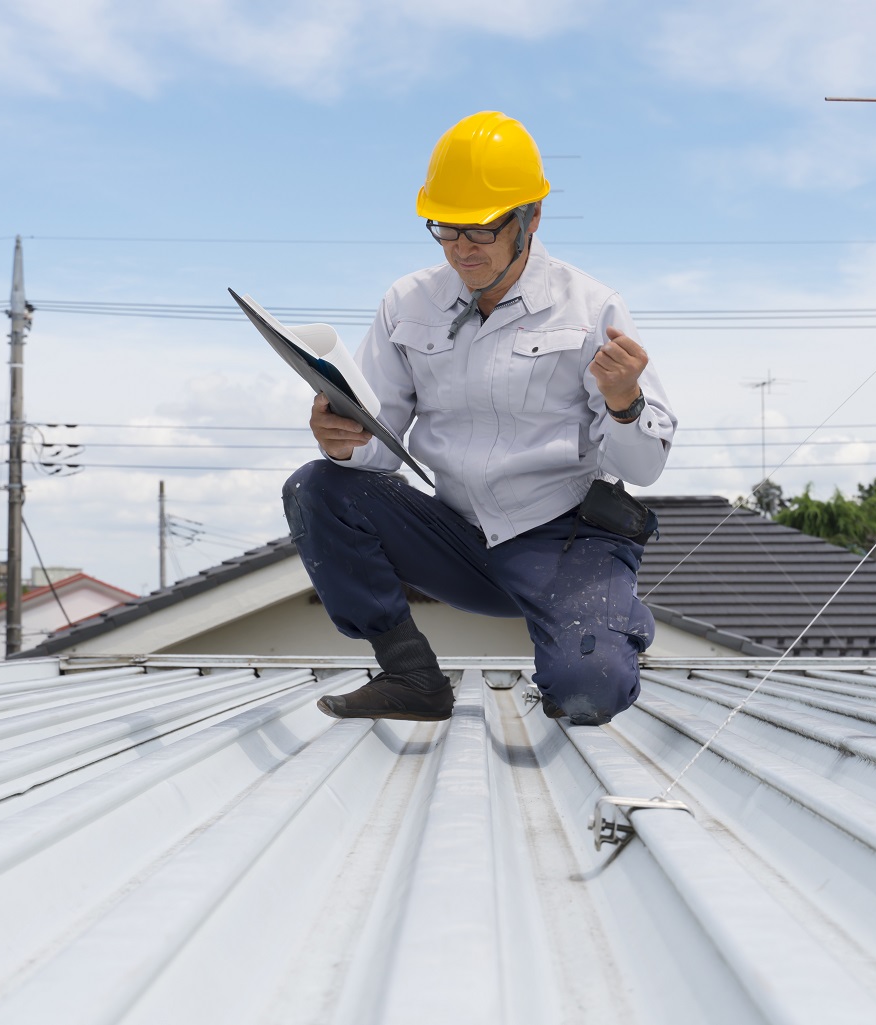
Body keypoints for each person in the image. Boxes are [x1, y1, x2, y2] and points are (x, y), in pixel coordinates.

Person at [282, 111, 675, 726]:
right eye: (445, 229)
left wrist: (625, 401)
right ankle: (410, 673)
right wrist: (343, 442)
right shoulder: (406, 304)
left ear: (530, 219)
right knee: (317, 486)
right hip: (457, 538)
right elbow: (378, 454)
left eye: (483, 231)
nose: (461, 249)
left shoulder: (592, 307)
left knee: (585, 693)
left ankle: (607, 621)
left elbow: (644, 468)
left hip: (565, 540)